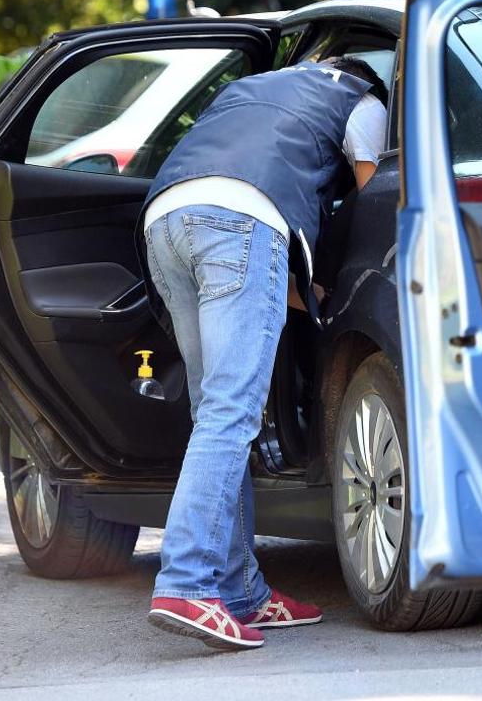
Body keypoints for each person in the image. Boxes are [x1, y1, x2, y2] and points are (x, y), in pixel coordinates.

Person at [142, 55, 388, 651]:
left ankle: (242, 591)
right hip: (241, 220)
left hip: (163, 218)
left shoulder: (250, 89)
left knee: (216, 416)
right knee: (232, 413)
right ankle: (186, 583)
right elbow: (374, 200)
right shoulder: (365, 98)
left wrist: (312, 290)